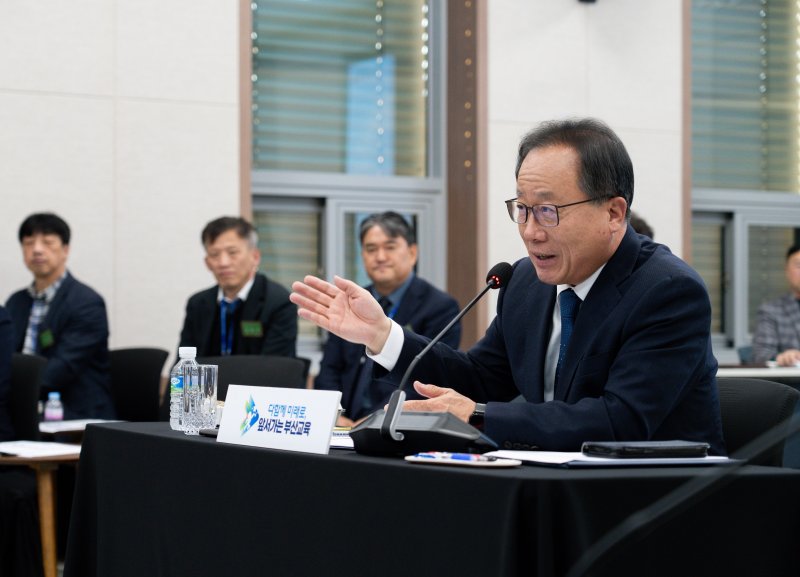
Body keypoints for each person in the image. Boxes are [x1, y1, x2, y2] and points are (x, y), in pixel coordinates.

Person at [290, 118, 725, 454]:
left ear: (613, 212)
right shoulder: (525, 285)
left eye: (549, 210)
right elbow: (480, 379)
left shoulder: (667, 290)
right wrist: (383, 335)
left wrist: (476, 415)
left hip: (656, 503)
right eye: (523, 209)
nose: (531, 232)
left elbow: (621, 420)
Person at [315, 211, 461, 425]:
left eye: (390, 247)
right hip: (340, 425)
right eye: (371, 249)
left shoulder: (439, 307)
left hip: (394, 425)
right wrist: (334, 414)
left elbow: (429, 379)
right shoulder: (349, 303)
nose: (380, 257)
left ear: (412, 253)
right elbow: (330, 368)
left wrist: (377, 418)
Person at [5, 213, 115, 419]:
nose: (37, 250)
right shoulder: (16, 302)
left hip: (76, 414)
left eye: (47, 243)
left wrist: (13, 394)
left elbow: (63, 368)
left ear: (65, 250)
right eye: (28, 243)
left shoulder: (87, 302)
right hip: (25, 409)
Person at [179, 216, 297, 357]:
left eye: (232, 252)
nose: (223, 263)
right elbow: (183, 363)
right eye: (214, 254)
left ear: (255, 257)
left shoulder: (278, 302)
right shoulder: (197, 304)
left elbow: (275, 368)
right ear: (207, 263)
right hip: (207, 379)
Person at [752, 244, 800, 366]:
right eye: (799, 265)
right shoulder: (770, 311)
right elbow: (761, 356)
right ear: (786, 270)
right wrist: (782, 358)